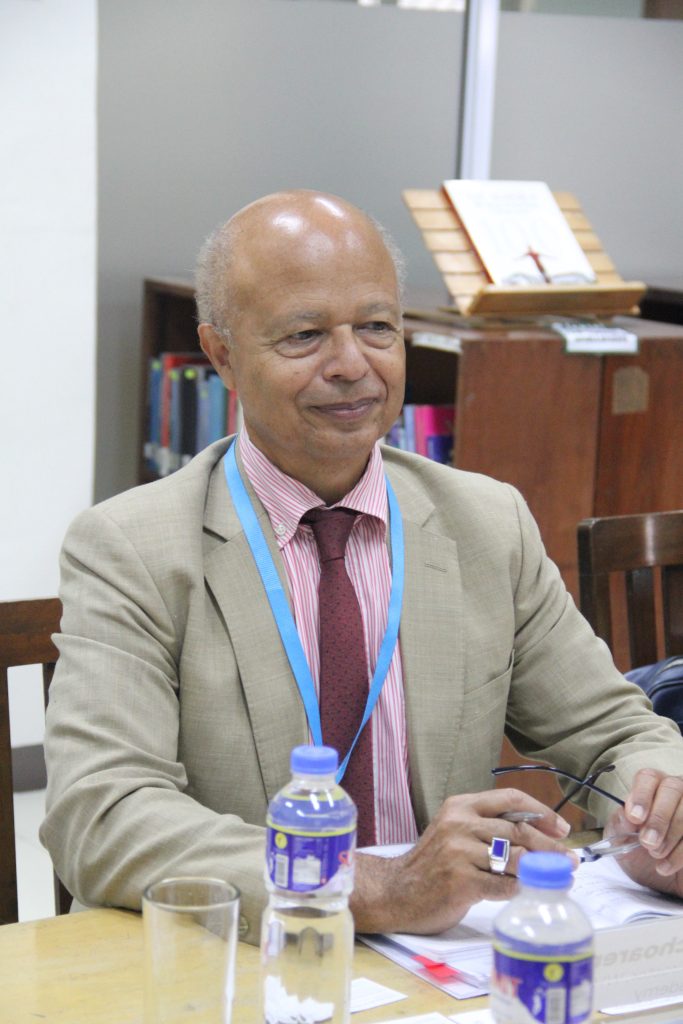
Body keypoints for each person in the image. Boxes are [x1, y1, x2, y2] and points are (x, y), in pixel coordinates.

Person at [41, 190, 683, 945]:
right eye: (304, 335)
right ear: (221, 356)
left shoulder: (485, 522)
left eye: (377, 327)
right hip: (233, 958)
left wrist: (658, 812)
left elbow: (612, 732)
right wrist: (366, 887)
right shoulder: (130, 548)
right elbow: (103, 813)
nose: (352, 365)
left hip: (442, 967)